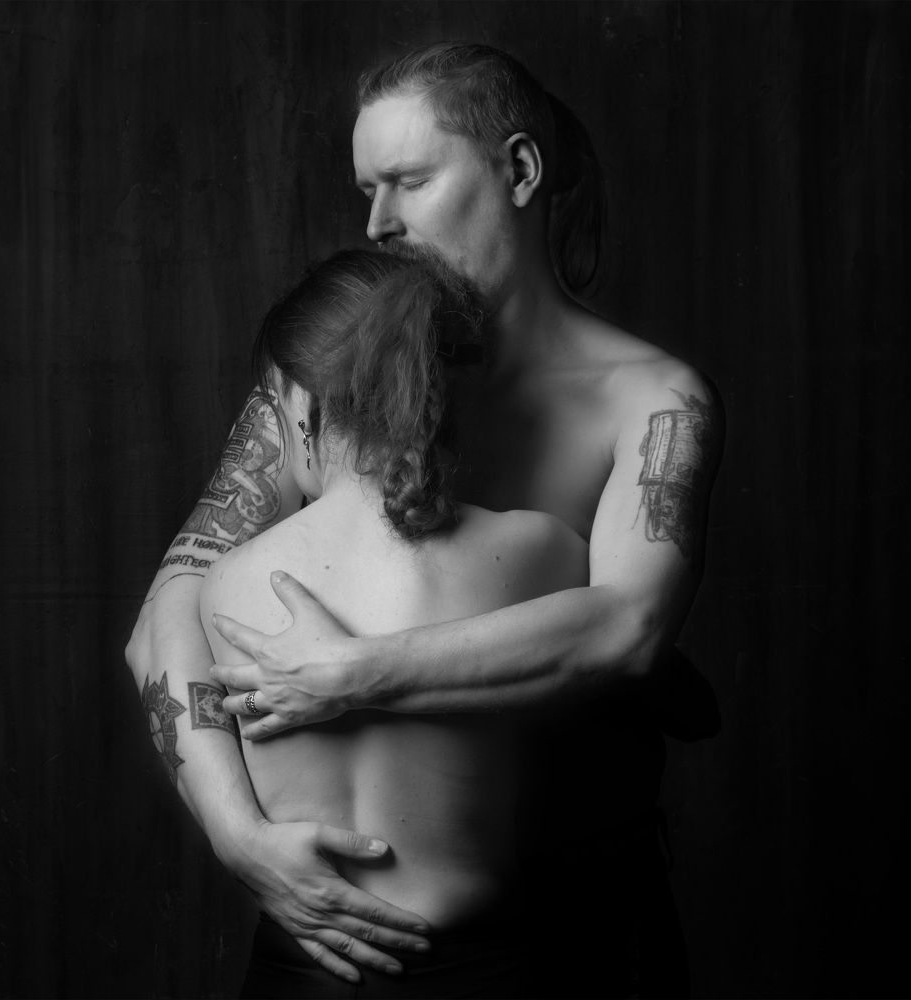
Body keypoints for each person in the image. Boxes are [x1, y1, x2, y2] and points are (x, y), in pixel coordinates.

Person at [126, 41, 722, 997]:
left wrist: (354, 673)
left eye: (408, 181)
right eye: (367, 190)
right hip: (363, 932)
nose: (379, 223)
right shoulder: (334, 379)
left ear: (519, 171)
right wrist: (237, 836)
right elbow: (171, 604)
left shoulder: (656, 402)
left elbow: (630, 628)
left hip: (584, 923)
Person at [202, 246, 587, 997]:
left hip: (300, 969)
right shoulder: (541, 551)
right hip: (479, 970)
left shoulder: (226, 581)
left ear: (301, 404)